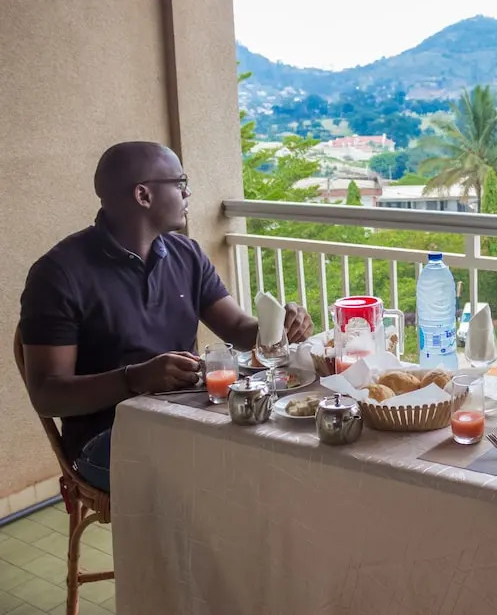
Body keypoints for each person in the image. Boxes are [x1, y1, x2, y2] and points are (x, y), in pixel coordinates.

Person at [18, 141, 313, 492]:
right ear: (143, 195)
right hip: (107, 437)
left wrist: (279, 326)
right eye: (179, 182)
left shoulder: (185, 254)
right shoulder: (58, 274)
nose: (188, 192)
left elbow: (237, 328)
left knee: (285, 447)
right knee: (234, 475)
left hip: (188, 416)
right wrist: (134, 379)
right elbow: (47, 395)